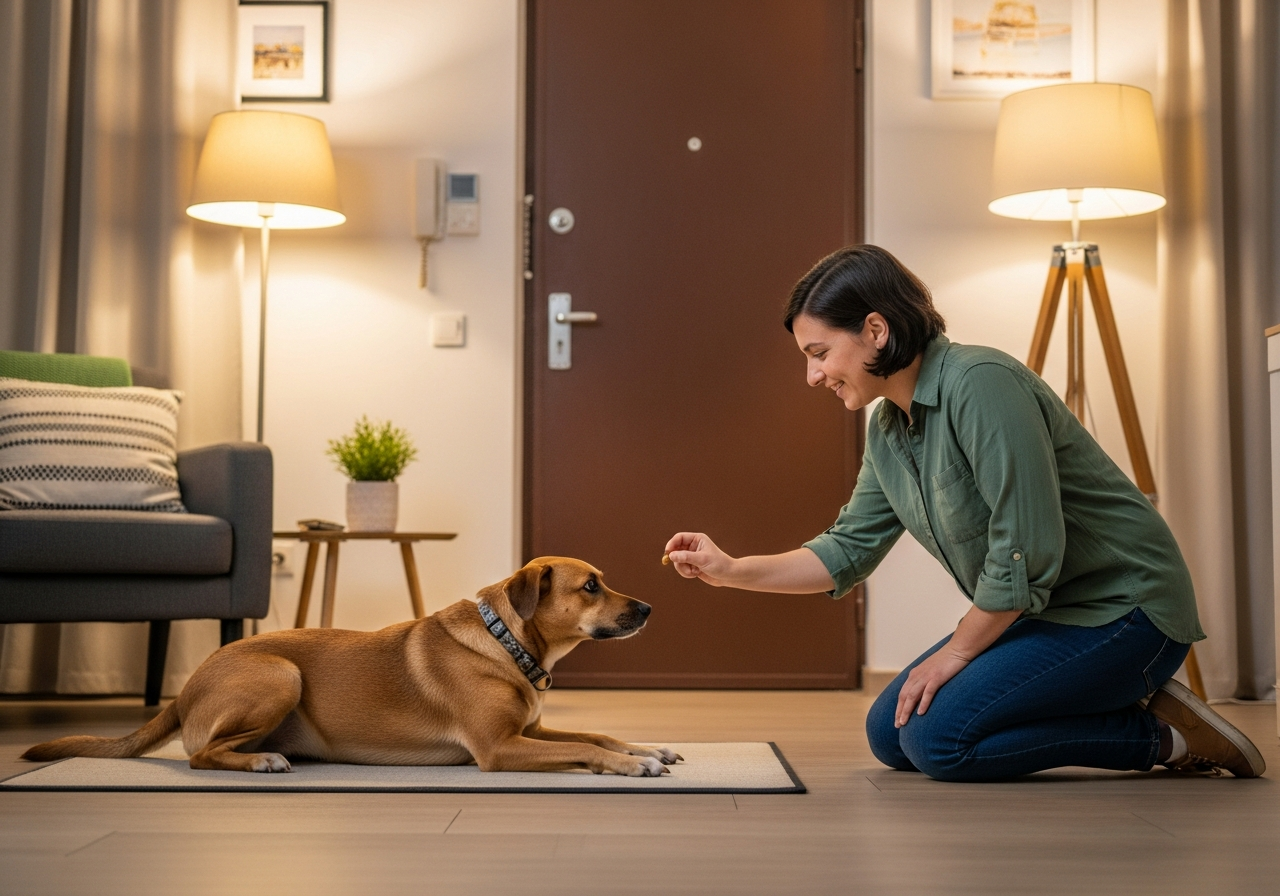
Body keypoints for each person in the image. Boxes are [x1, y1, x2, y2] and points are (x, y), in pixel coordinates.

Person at [664, 244, 1265, 782]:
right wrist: (733, 568)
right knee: (889, 736)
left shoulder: (981, 383)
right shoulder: (888, 429)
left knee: (937, 740)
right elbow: (847, 549)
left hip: (1125, 613)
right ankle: (1103, 698)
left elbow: (1024, 548)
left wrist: (957, 651)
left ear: (875, 329)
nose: (812, 374)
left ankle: (1164, 737)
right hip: (1046, 615)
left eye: (819, 353)